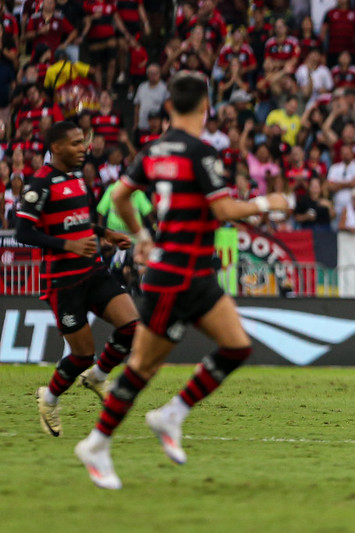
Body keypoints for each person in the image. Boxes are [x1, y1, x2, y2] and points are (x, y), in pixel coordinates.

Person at [74, 71, 289, 490]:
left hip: (194, 274)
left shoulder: (153, 150)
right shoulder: (202, 152)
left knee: (237, 346)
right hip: (173, 276)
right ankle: (96, 443)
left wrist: (143, 235)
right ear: (207, 108)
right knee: (142, 367)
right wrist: (269, 202)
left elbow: (119, 196)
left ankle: (171, 414)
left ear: (169, 107)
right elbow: (224, 211)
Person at [15, 121, 140, 437]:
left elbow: (80, 222)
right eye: (74, 144)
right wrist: (66, 244)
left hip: (93, 271)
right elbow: (23, 232)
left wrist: (105, 232)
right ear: (55, 148)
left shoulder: (77, 180)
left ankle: (97, 377)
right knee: (81, 354)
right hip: (63, 282)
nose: (82, 148)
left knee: (132, 326)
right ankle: (50, 398)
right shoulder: (39, 184)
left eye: (82, 142)